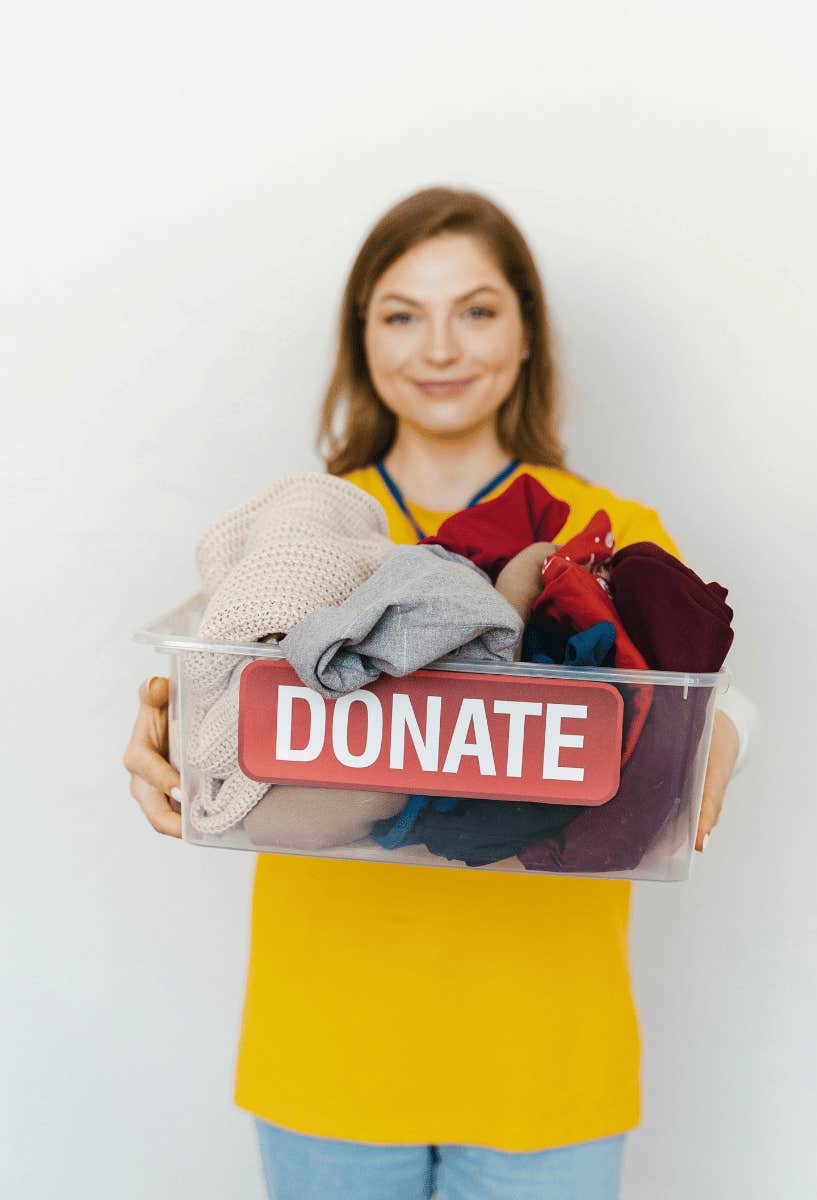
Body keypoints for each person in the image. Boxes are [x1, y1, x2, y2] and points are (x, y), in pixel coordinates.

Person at [124, 187, 752, 1199]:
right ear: (360, 336)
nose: (440, 347)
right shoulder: (303, 527)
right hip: (326, 1048)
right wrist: (160, 735)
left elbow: (692, 693)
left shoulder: (607, 527)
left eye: (476, 309)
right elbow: (211, 687)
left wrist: (731, 731)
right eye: (401, 313)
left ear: (526, 332)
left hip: (543, 1056)